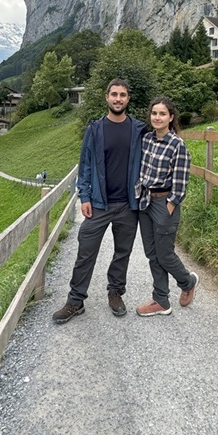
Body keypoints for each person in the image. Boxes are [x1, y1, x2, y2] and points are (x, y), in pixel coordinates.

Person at [53, 79, 148, 323]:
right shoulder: (95, 130)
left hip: (128, 205)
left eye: (123, 95)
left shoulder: (138, 130)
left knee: (122, 252)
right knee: (86, 250)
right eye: (114, 94)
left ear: (128, 99)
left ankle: (115, 292)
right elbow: (85, 164)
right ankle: (76, 300)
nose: (118, 99)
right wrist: (84, 196)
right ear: (107, 97)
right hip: (98, 203)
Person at [135, 96, 198, 316]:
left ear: (171, 117)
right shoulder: (146, 139)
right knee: (152, 253)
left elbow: (180, 182)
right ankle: (161, 300)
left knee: (165, 254)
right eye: (154, 113)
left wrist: (170, 205)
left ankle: (187, 282)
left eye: (162, 114)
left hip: (164, 203)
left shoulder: (177, 145)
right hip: (145, 201)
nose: (157, 117)